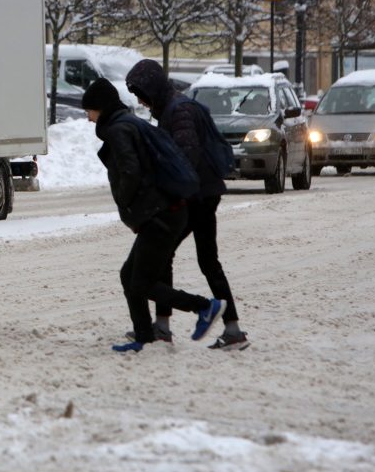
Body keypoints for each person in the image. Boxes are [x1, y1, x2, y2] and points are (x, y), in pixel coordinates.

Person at [82, 77, 224, 353]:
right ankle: (144, 335)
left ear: (100, 107)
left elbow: (131, 171)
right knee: (129, 276)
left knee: (141, 283)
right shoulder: (129, 123)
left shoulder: (119, 130)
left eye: (88, 110)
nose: (87, 118)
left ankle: (205, 307)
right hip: (166, 212)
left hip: (161, 215)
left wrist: (127, 204)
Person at [125, 59, 249, 350]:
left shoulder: (178, 111)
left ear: (153, 87)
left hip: (197, 196)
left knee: (165, 254)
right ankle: (232, 330)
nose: (140, 100)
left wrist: (168, 191)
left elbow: (185, 156)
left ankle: (165, 327)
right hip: (204, 192)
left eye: (141, 93)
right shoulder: (173, 107)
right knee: (207, 261)